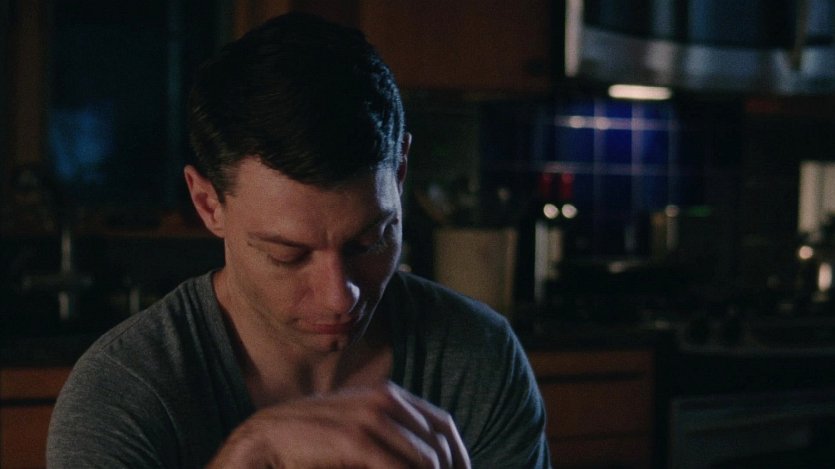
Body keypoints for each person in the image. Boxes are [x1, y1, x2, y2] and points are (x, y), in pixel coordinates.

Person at [47, 12, 551, 468]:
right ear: (208, 204)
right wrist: (250, 454)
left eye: (368, 242)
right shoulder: (123, 393)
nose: (339, 297)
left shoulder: (475, 358)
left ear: (399, 175)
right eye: (287, 254)